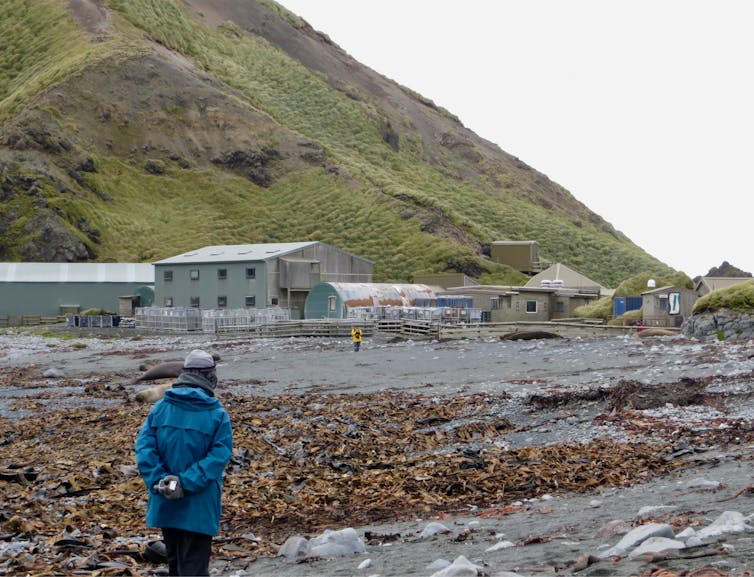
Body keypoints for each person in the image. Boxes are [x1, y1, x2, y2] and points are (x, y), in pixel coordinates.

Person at [135, 349, 233, 576]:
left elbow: (144, 450)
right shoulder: (217, 414)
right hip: (199, 505)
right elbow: (218, 456)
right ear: (210, 376)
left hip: (165, 500)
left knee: (175, 563)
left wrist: (161, 481)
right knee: (195, 566)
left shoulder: (160, 409)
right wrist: (185, 483)